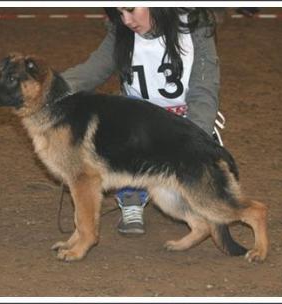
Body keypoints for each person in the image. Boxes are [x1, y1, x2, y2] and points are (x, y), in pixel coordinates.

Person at [61, 7, 222, 235]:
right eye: (119, 12)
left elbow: (204, 89)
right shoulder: (121, 33)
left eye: (131, 9)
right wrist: (49, 90)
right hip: (137, 123)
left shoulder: (194, 26)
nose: (126, 20)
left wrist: (195, 138)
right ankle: (131, 197)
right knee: (112, 132)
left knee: (203, 191)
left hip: (184, 123)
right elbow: (91, 71)